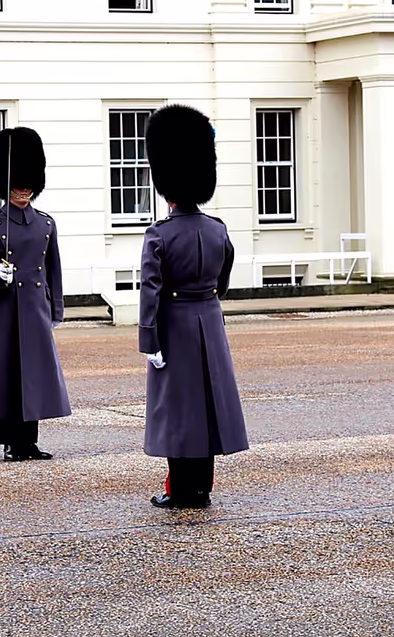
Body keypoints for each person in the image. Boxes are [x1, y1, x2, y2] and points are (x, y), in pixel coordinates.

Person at [138, 104, 249, 510]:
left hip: (173, 323)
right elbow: (224, 280)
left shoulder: (160, 235)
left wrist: (149, 339)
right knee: (205, 405)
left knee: (177, 410)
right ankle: (201, 488)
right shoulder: (217, 229)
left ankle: (179, 489)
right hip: (209, 320)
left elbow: (150, 290)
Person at [0, 127, 71, 461]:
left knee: (34, 374)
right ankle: (11, 441)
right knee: (8, 374)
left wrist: (56, 308)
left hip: (34, 306)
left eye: (28, 184)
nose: (24, 190)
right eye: (18, 184)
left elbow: (53, 269)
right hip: (5, 307)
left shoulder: (45, 223)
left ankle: (29, 439)